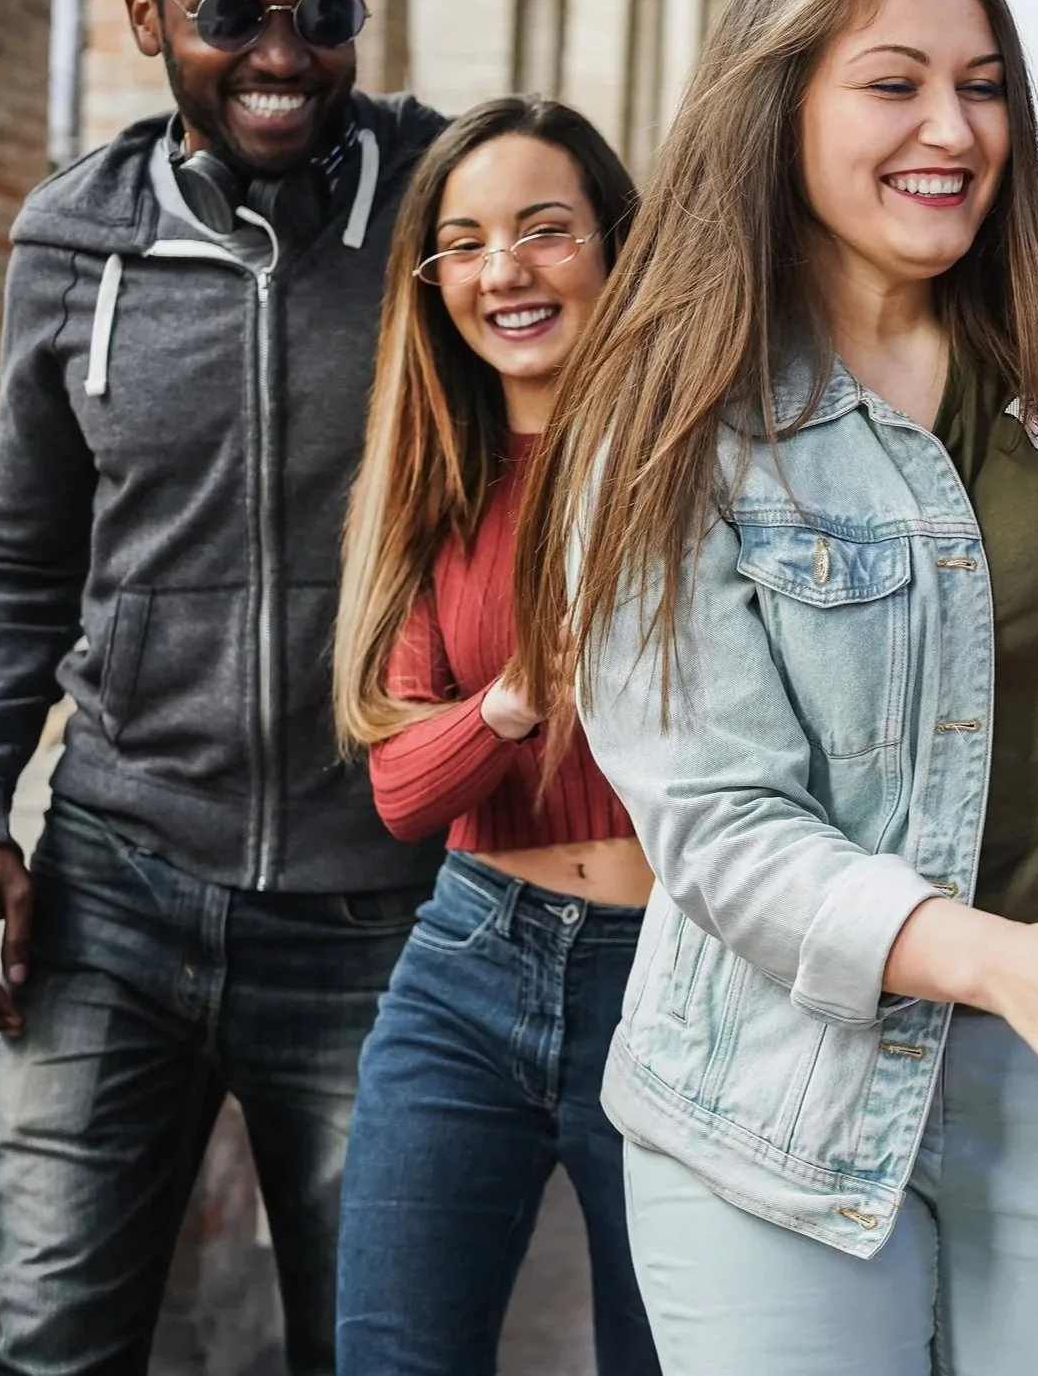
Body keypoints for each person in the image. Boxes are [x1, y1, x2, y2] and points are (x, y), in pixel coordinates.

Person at [507, 0, 1038, 1376]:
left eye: (981, 88)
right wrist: (991, 959)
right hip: (773, 1089)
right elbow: (714, 820)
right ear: (776, 104)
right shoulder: (665, 417)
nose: (954, 131)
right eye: (894, 84)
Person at [0, 0, 445, 1373]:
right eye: (232, 13)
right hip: (117, 886)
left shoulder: (441, 214)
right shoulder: (74, 244)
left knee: (374, 1345)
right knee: (48, 1335)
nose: (284, 53)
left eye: (323, 14)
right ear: (146, 19)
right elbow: (21, 563)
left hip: (378, 903)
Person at [326, 97, 656, 1374]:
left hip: (671, 971)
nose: (502, 270)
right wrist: (520, 696)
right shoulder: (429, 479)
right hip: (467, 960)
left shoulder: (690, 463)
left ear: (615, 248)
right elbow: (404, 792)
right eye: (462, 242)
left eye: (543, 229)